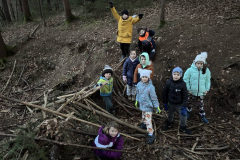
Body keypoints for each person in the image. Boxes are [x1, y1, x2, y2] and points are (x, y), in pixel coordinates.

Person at [183, 52, 211, 124]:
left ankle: (202, 116)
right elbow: (185, 80)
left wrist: (206, 89)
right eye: (198, 63)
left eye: (201, 63)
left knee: (200, 104)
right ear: (195, 62)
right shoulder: (190, 70)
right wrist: (188, 89)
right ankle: (188, 112)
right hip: (191, 91)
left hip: (201, 92)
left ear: (203, 64)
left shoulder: (206, 70)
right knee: (189, 102)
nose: (199, 65)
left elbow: (208, 80)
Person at [162, 67, 191, 134]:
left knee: (183, 115)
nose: (176, 76)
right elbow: (164, 92)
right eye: (174, 74)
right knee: (170, 114)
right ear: (172, 74)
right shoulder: (169, 82)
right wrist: (165, 102)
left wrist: (184, 106)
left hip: (179, 104)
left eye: (178, 74)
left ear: (180, 76)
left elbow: (185, 96)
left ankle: (183, 127)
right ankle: (169, 124)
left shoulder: (183, 84)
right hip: (171, 103)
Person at [135, 69, 161, 145]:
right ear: (141, 77)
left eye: (146, 77)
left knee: (148, 120)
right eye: (143, 77)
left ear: (148, 77)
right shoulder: (139, 84)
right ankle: (144, 125)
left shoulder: (151, 87)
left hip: (148, 107)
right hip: (142, 105)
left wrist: (157, 106)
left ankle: (151, 134)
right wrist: (137, 100)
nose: (144, 78)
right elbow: (138, 93)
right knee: (143, 116)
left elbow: (154, 98)